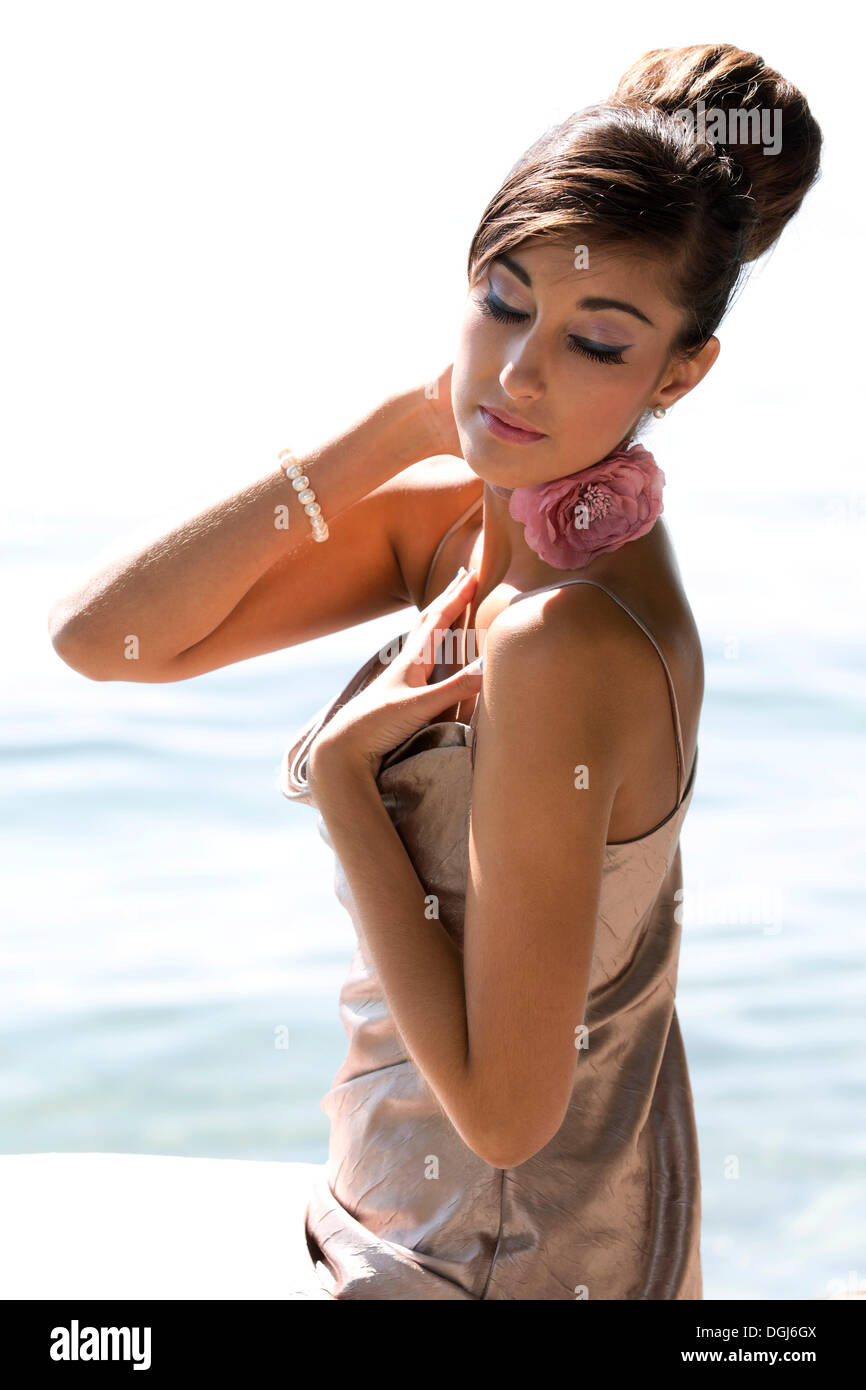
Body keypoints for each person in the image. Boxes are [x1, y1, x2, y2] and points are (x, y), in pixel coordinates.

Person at [50, 43, 822, 1300]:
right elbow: (106, 637)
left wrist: (344, 783)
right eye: (502, 300)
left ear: (678, 372)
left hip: (489, 1261)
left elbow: (506, 1118)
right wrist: (409, 421)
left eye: (596, 341)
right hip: (406, 1211)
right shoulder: (468, 525)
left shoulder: (562, 636)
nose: (518, 373)